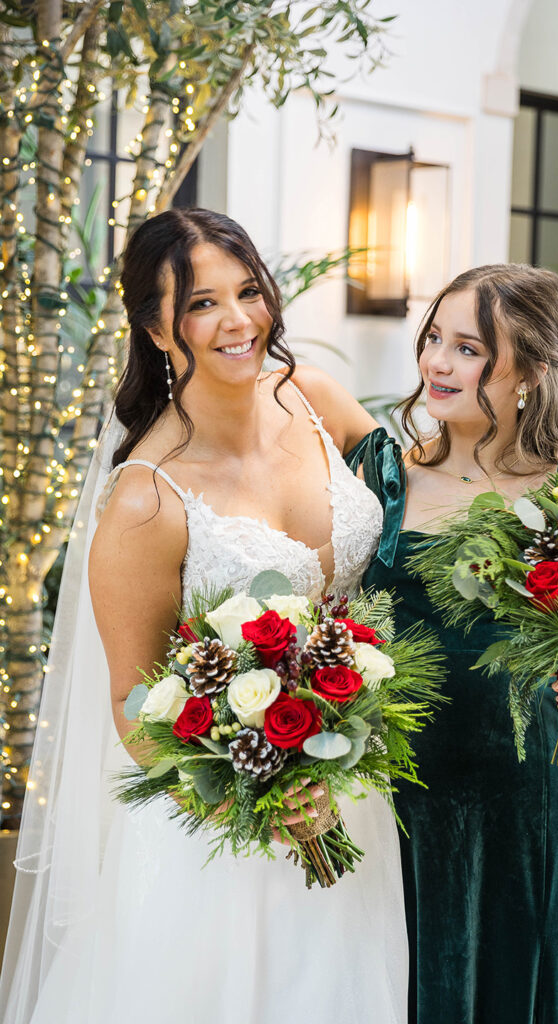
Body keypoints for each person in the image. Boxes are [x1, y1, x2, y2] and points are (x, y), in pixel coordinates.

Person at [0, 209, 408, 1024]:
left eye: (248, 291)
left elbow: (423, 501)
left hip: (351, 788)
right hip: (229, 832)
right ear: (154, 328)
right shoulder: (150, 498)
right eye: (200, 304)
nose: (238, 321)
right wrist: (264, 793)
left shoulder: (317, 399)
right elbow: (132, 705)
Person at [347, 264, 558, 1024]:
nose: (436, 363)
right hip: (405, 800)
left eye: (468, 349)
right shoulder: (375, 480)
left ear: (530, 372)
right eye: (433, 338)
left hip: (542, 799)